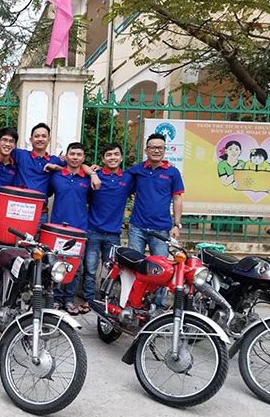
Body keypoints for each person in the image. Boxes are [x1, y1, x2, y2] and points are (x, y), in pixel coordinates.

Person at [0, 123, 100, 225]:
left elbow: (77, 166)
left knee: (36, 249)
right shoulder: (21, 155)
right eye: (37, 136)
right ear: (31, 140)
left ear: (49, 140)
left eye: (44, 136)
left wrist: (92, 174)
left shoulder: (54, 160)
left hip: (40, 213)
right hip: (16, 211)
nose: (40, 139)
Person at [82, 142, 135, 313]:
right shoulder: (95, 176)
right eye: (109, 155)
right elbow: (79, 165)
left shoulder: (127, 179)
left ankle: (103, 301)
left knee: (110, 270)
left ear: (121, 158)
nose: (113, 157)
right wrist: (92, 172)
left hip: (113, 234)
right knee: (90, 268)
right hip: (93, 230)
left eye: (116, 154)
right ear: (103, 158)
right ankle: (88, 301)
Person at [48, 142, 91, 315]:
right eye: (72, 154)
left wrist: (92, 173)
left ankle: (69, 299)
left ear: (83, 158)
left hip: (79, 229)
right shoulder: (56, 176)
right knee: (57, 263)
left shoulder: (88, 179)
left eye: (79, 155)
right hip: (58, 228)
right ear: (66, 156)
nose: (75, 158)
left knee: (75, 265)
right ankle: (56, 298)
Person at [127, 132, 184, 257]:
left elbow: (177, 198)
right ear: (146, 150)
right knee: (132, 265)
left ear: (164, 150)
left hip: (161, 229)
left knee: (160, 268)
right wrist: (93, 172)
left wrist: (176, 225)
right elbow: (117, 178)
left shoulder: (173, 172)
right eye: (153, 147)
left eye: (160, 148)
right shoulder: (137, 170)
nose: (156, 151)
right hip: (137, 228)